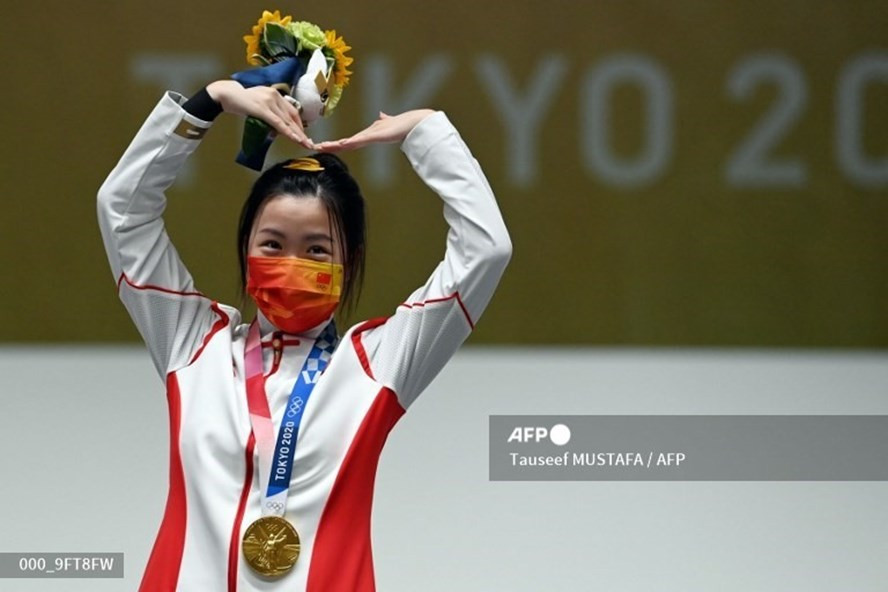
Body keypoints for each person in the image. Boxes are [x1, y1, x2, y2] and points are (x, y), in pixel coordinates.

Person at [97, 78, 511, 591]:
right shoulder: (192, 344)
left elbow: (486, 251)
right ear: (245, 248)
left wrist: (425, 134)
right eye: (272, 244)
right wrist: (211, 102)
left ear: (349, 261)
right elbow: (123, 213)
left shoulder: (376, 365)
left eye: (316, 250)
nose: (290, 264)